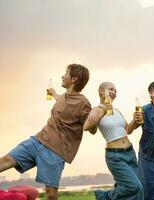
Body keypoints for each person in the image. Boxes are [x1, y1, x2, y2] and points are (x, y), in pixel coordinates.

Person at [0, 64, 92, 200]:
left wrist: (98, 114)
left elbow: (91, 128)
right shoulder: (63, 97)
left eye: (66, 73)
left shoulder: (83, 103)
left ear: (74, 79)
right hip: (37, 141)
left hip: (55, 152)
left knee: (50, 195)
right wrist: (53, 93)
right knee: (6, 160)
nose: (62, 76)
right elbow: (60, 99)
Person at [83, 81, 143, 200]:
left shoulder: (117, 110)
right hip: (115, 156)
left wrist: (136, 121)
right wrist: (104, 110)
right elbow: (86, 127)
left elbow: (127, 130)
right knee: (135, 187)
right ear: (101, 92)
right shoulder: (96, 110)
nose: (114, 92)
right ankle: (103, 196)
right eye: (111, 89)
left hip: (130, 153)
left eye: (115, 91)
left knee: (137, 191)